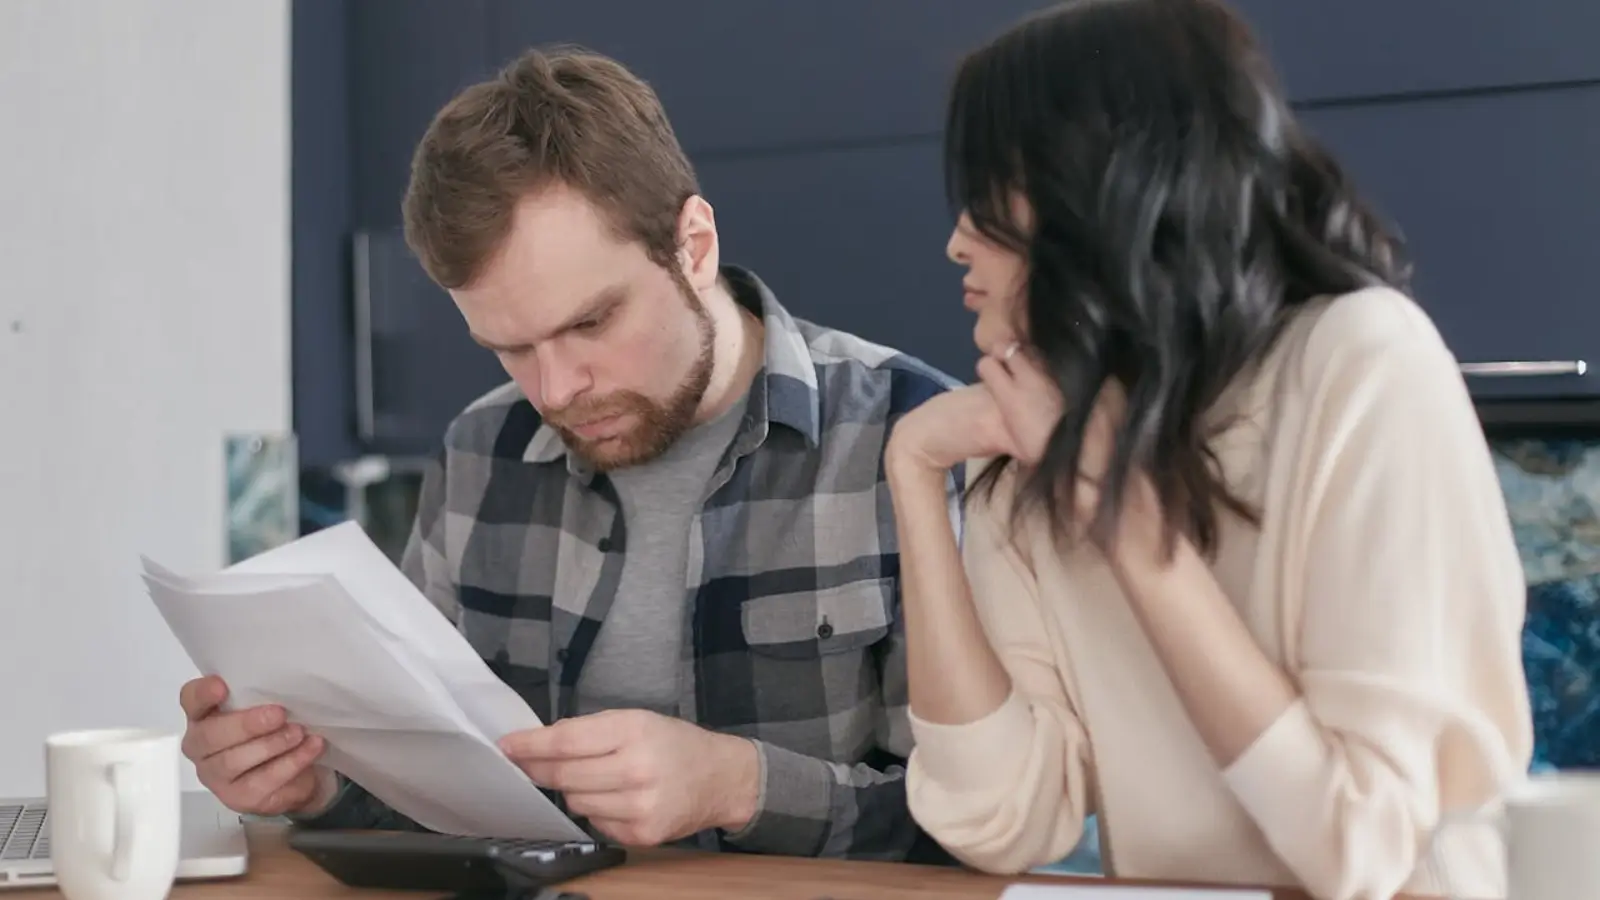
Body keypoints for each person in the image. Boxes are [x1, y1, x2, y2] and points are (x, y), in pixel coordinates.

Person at [175, 45, 961, 861]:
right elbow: (435, 790)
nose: (555, 392)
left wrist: (741, 785)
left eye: (590, 323)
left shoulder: (910, 439)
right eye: (508, 347)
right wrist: (319, 785)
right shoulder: (483, 451)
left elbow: (994, 825)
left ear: (693, 246)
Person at [885, 1, 1533, 898]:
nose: (957, 240)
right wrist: (915, 473)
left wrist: (1129, 529)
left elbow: (1366, 849)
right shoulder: (1036, 437)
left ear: (1099, 187)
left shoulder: (1362, 364)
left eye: (990, 191)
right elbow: (997, 820)